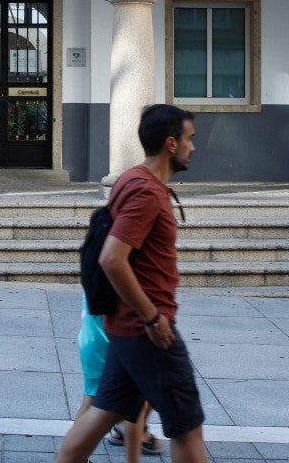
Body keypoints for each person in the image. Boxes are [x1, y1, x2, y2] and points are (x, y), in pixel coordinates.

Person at [55, 104, 207, 463]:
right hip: (148, 333)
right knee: (187, 426)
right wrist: (153, 318)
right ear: (171, 143)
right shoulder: (146, 193)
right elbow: (112, 258)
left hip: (126, 330)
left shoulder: (131, 178)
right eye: (190, 139)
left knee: (99, 415)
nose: (193, 147)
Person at [75, 294, 162, 460]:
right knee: (93, 402)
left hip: (101, 336)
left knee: (149, 387)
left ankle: (125, 430)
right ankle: (74, 458)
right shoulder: (110, 269)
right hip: (103, 340)